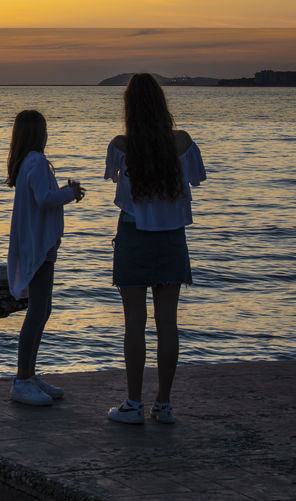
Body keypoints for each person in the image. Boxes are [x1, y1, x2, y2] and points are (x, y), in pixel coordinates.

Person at [103, 73, 206, 424]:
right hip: (171, 237)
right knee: (168, 323)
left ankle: (133, 403)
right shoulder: (183, 143)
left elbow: (118, 188)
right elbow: (196, 178)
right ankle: (164, 403)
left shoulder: (121, 145)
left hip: (133, 235)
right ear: (162, 104)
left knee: (134, 322)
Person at [6, 109, 85, 406]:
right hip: (39, 246)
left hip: (37, 243)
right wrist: (70, 193)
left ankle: (29, 373)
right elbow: (44, 199)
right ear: (39, 134)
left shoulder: (28, 162)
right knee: (38, 311)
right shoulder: (37, 162)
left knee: (43, 309)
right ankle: (22, 379)